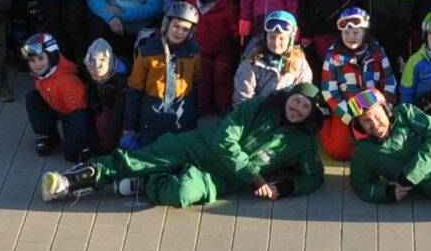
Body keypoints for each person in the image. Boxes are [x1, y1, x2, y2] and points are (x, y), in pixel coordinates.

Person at [41, 84, 326, 208]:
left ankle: (146, 184)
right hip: (201, 146)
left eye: (305, 107)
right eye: (297, 100)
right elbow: (224, 141)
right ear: (289, 97)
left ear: (311, 114)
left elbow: (314, 176)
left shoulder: (304, 142)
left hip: (219, 179)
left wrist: (286, 188)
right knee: (136, 160)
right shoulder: (258, 107)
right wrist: (256, 176)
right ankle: (71, 181)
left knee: (180, 194)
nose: (298, 108)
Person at [314, 5, 395, 162]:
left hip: (373, 106)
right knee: (340, 152)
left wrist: (387, 109)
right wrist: (347, 115)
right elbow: (328, 90)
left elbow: (389, 82)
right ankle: (325, 119)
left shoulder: (377, 51)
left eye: (356, 32)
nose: (351, 37)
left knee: (385, 143)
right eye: (346, 33)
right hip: (347, 107)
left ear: (365, 32)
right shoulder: (334, 55)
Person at [123, 1, 205, 144]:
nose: (179, 32)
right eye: (176, 26)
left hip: (182, 122)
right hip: (153, 122)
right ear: (167, 24)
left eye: (185, 30)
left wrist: (194, 115)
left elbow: (195, 83)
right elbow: (134, 89)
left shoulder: (193, 52)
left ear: (191, 33)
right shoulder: (148, 51)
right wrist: (129, 126)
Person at [22, 33, 95, 158]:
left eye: (40, 58)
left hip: (73, 113)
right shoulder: (44, 72)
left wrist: (83, 145)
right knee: (33, 98)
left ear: (52, 55)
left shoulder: (67, 80)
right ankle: (49, 135)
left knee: (71, 155)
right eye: (32, 61)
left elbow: (79, 115)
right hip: (56, 104)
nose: (36, 64)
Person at [234, 9, 314, 104]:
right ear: (265, 37)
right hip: (258, 113)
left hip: (289, 114)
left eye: (281, 38)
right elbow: (243, 98)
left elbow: (304, 93)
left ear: (290, 40)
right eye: (272, 37)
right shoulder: (252, 63)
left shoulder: (299, 63)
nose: (276, 43)